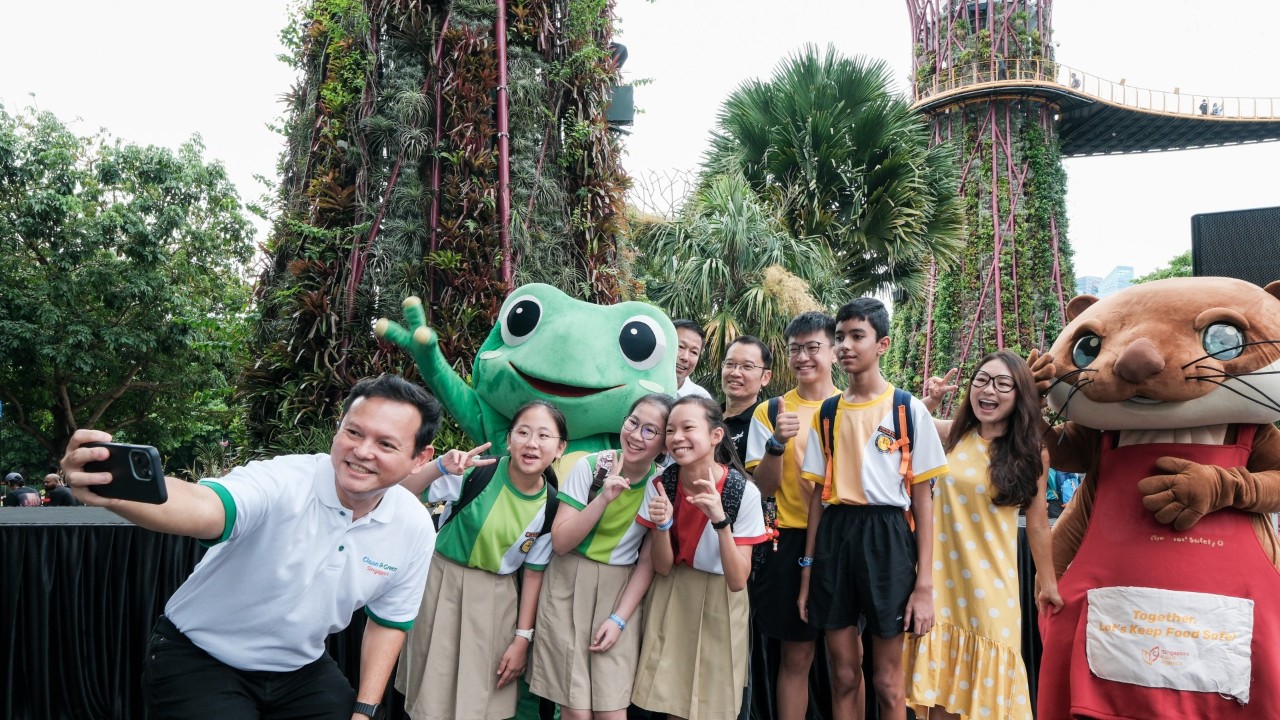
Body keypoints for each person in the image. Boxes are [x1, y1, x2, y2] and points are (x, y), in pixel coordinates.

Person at [59, 374, 441, 720]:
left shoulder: (414, 527)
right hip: (200, 656)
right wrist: (114, 491)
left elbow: (388, 623)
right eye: (354, 433)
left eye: (386, 444)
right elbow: (204, 506)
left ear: (420, 458)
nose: (361, 451)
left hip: (300, 668)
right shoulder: (284, 480)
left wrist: (365, 711)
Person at [797, 298, 949, 720]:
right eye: (840, 337)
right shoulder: (828, 413)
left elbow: (923, 498)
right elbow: (816, 498)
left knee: (886, 680)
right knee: (843, 674)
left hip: (888, 538)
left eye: (856, 336)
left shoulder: (907, 408)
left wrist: (924, 584)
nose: (845, 345)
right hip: (835, 536)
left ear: (882, 344)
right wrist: (808, 571)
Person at [905, 352, 1064, 719]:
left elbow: (1039, 524)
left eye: (1002, 384)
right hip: (941, 585)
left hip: (992, 589)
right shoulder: (951, 436)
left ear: (1019, 394)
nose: (989, 390)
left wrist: (1048, 584)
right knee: (940, 695)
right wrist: (931, 400)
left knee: (984, 701)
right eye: (982, 380)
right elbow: (910, 420)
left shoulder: (1030, 453)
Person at [396, 400, 566, 720]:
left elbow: (533, 575)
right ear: (508, 439)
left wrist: (522, 639)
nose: (532, 443)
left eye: (544, 436)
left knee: (482, 702)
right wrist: (442, 466)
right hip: (440, 586)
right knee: (431, 696)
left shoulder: (552, 506)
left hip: (497, 602)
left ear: (560, 448)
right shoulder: (476, 472)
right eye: (523, 432)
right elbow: (402, 492)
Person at [528, 393, 673, 720]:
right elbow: (561, 542)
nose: (637, 435)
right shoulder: (592, 465)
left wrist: (619, 619)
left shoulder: (660, 485)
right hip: (567, 584)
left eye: (651, 431)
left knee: (611, 710)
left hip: (618, 590)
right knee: (576, 712)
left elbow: (648, 563)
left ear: (665, 444)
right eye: (633, 423)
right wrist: (603, 498)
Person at [632, 396, 768, 720]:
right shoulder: (662, 484)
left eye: (688, 428)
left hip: (723, 596)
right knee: (672, 700)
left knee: (712, 704)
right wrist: (663, 524)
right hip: (673, 592)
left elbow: (738, 580)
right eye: (670, 430)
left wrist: (721, 521)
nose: (677, 437)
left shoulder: (742, 491)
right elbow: (662, 567)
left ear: (716, 435)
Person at [745, 312, 844, 720]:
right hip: (789, 540)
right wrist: (776, 443)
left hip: (844, 540)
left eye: (813, 347)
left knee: (849, 662)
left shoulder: (854, 407)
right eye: (795, 349)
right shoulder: (771, 410)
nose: (803, 357)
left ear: (835, 351)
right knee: (796, 658)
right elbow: (762, 490)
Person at [721, 335, 774, 462]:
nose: (735, 373)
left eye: (747, 366)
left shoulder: (766, 424)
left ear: (765, 377)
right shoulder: (707, 416)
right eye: (730, 364)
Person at [674, 319, 713, 400]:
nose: (685, 357)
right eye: (680, 346)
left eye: (694, 352)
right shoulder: (641, 383)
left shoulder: (702, 399)